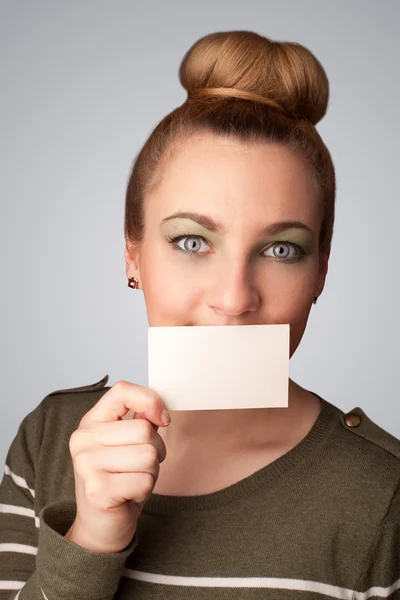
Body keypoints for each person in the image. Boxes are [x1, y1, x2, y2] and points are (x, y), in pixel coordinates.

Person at [1, 29, 399, 600]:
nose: (235, 298)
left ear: (321, 274)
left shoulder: (383, 496)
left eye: (280, 249)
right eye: (192, 242)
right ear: (133, 253)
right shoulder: (50, 441)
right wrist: (90, 538)